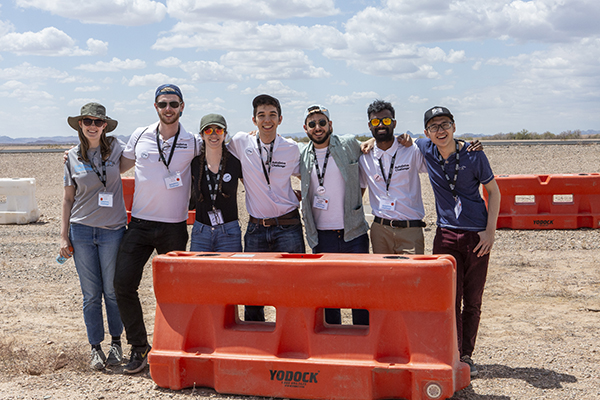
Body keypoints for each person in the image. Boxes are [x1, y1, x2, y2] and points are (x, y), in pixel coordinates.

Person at [113, 84, 201, 374]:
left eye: (173, 104)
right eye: (163, 104)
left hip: (173, 228)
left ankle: (175, 348)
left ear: (182, 106)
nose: (168, 109)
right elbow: (118, 167)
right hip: (139, 224)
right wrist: (77, 156)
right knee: (123, 284)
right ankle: (139, 348)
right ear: (155, 107)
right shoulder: (140, 135)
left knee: (175, 292)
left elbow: (218, 151)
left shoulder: (193, 141)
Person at [416, 106, 500, 377]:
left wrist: (490, 231)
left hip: (476, 235)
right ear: (426, 132)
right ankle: (449, 351)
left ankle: (466, 354)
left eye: (445, 124)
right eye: (434, 127)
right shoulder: (425, 148)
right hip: (446, 234)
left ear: (454, 126)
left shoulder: (474, 155)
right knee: (448, 298)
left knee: (473, 299)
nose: (440, 131)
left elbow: (493, 192)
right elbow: (397, 140)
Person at [227, 94, 304, 322]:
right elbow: (219, 154)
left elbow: (308, 176)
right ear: (254, 120)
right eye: (261, 115)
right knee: (253, 291)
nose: (267, 120)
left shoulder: (291, 148)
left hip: (288, 227)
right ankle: (255, 345)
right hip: (256, 229)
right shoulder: (241, 142)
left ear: (280, 119)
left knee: (293, 287)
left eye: (272, 115)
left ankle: (293, 339)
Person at [61, 103, 127, 370]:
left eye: (98, 122)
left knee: (112, 291)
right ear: (80, 124)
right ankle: (95, 348)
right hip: (82, 230)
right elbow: (67, 198)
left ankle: (116, 344)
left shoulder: (117, 149)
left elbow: (146, 150)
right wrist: (63, 236)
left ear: (104, 126)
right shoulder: (71, 157)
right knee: (90, 294)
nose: (92, 125)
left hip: (113, 231)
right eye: (87, 120)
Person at [299, 104, 370, 325]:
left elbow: (373, 144)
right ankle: (332, 344)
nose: (317, 127)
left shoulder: (348, 144)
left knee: (360, 293)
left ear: (330, 125)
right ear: (305, 128)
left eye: (322, 122)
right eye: (312, 124)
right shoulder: (301, 154)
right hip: (321, 236)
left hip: (354, 232)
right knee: (328, 296)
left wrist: (374, 141)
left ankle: (363, 343)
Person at [359, 100, 428, 255]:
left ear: (394, 123)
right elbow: (359, 192)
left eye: (386, 120)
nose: (381, 125)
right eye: (376, 121)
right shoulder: (365, 157)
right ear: (369, 125)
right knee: (383, 278)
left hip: (410, 229)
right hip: (380, 231)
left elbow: (436, 149)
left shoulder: (411, 150)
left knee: (412, 277)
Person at [189, 113, 243, 252]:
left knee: (231, 274)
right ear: (202, 135)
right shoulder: (194, 163)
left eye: (218, 130)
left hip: (229, 232)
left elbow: (254, 187)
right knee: (198, 273)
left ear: (225, 134)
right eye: (208, 130)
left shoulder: (235, 162)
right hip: (201, 232)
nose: (214, 135)